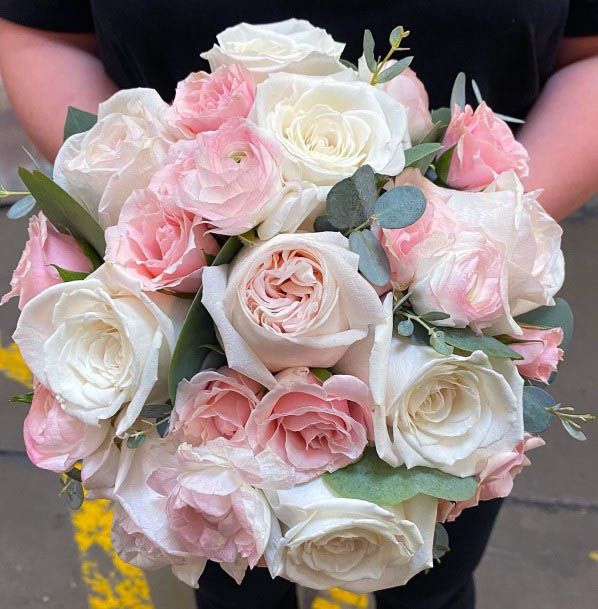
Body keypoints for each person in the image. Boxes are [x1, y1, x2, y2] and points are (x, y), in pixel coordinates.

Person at [0, 2, 596, 609]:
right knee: (234, 587)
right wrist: (139, 200)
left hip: (452, 339)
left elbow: (589, 56)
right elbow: (41, 34)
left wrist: (468, 239)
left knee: (430, 582)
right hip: (193, 412)